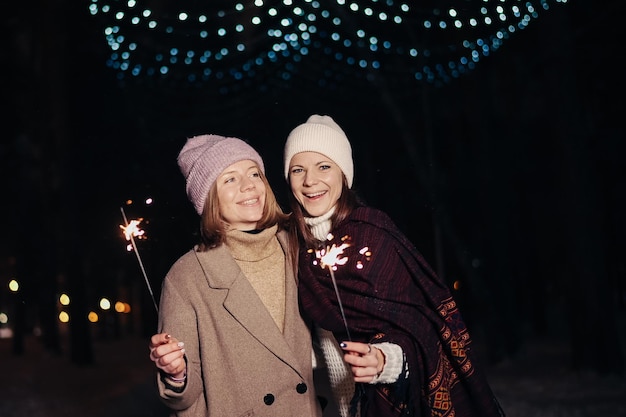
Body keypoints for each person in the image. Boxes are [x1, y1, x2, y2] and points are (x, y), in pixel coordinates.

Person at [283, 114, 506, 417]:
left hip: (387, 403)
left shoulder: (374, 234)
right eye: (298, 169)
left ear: (343, 174)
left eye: (324, 166)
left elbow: (420, 326)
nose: (310, 180)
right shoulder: (289, 245)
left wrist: (384, 360)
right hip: (321, 406)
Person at [148, 134, 323, 417]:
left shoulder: (297, 249)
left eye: (254, 173)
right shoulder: (187, 277)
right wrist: (176, 372)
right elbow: (182, 398)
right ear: (208, 198)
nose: (249, 185)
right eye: (230, 179)